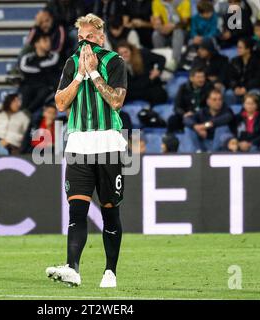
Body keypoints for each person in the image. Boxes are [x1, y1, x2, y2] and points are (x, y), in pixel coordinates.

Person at [47, 14, 128, 288]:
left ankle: (110, 271)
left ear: (101, 38)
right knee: (76, 211)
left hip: (108, 144)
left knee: (109, 211)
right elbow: (60, 103)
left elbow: (116, 102)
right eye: (81, 38)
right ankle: (72, 268)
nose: (84, 43)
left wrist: (94, 73)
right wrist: (80, 76)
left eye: (90, 38)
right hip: (79, 143)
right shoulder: (71, 64)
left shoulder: (114, 62)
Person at [19, 31, 61, 114]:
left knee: (44, 91)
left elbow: (50, 64)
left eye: (49, 41)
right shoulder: (28, 57)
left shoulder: (54, 56)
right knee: (26, 90)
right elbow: (23, 67)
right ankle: (23, 113)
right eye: (45, 41)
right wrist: (40, 68)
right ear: (36, 44)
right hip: (31, 86)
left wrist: (36, 67)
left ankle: (27, 112)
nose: (49, 43)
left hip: (47, 88)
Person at [117, 41, 167, 106]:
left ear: (131, 51)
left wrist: (158, 70)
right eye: (121, 54)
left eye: (126, 52)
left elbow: (161, 58)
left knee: (159, 94)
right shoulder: (118, 64)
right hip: (134, 89)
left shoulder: (143, 54)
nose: (124, 55)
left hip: (148, 84)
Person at [168, 66, 213, 133]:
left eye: (203, 77)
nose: (201, 80)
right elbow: (177, 107)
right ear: (191, 78)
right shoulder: (183, 88)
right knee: (172, 120)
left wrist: (197, 113)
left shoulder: (209, 88)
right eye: (198, 77)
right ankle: (170, 140)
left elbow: (212, 106)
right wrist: (184, 114)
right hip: (187, 116)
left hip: (203, 116)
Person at [226, 38, 260, 105]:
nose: (238, 49)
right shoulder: (234, 61)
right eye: (237, 47)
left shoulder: (259, 61)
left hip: (253, 88)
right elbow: (231, 77)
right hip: (239, 87)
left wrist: (246, 88)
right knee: (229, 94)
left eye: (240, 48)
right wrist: (235, 87)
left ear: (248, 49)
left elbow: (259, 79)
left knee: (251, 96)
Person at [151, 0, 190, 65]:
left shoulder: (184, 2)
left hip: (182, 30)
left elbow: (185, 22)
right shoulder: (156, 2)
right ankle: (160, 60)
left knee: (177, 32)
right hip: (166, 29)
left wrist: (173, 26)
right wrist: (159, 27)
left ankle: (174, 62)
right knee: (156, 34)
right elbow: (157, 18)